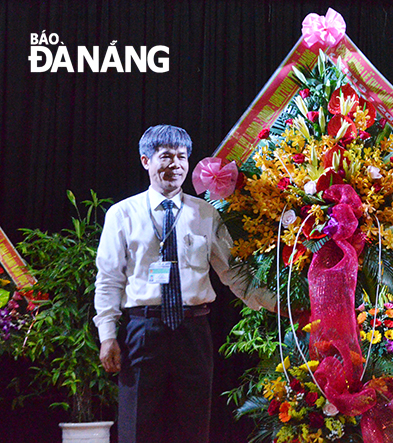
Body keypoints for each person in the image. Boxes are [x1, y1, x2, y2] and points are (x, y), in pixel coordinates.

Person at [94, 125, 274, 443]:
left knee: (193, 424)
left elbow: (232, 271)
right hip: (143, 329)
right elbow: (109, 279)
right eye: (166, 156)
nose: (175, 164)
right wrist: (108, 336)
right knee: (137, 424)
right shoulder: (122, 214)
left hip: (193, 330)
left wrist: (277, 304)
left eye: (181, 157)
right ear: (145, 160)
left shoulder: (205, 214)